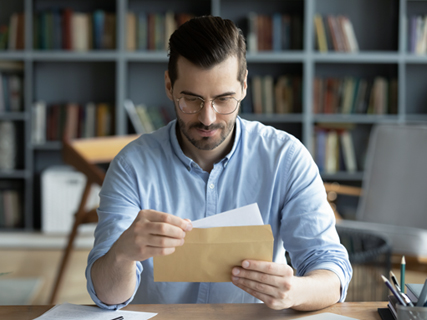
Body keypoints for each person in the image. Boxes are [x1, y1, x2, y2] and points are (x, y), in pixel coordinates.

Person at [86, 15, 352, 311]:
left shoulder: (285, 159)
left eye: (224, 100)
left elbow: (331, 269)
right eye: (191, 99)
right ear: (169, 86)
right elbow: (107, 297)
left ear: (244, 86)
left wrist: (296, 291)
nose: (207, 118)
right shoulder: (131, 165)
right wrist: (122, 254)